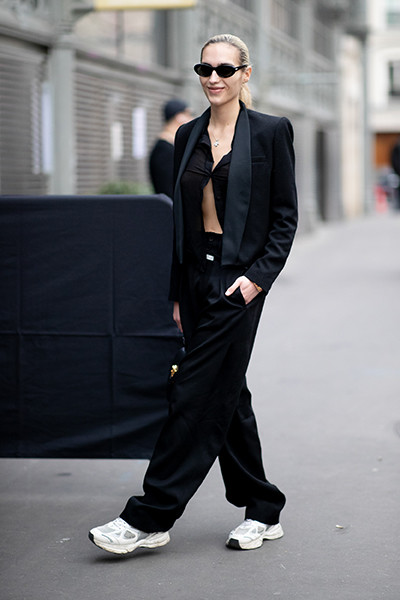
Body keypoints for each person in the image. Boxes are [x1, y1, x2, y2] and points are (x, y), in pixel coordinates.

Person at [89, 33, 298, 554]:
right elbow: (181, 223)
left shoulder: (271, 131)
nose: (214, 78)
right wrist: (178, 294)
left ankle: (149, 516)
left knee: (192, 390)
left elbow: (285, 217)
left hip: (239, 281)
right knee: (228, 395)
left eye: (225, 69)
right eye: (205, 69)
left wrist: (256, 280)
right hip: (196, 276)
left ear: (245, 74)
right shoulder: (187, 135)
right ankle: (264, 507)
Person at [149, 98, 192, 197]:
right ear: (179, 117)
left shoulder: (171, 146)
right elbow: (168, 189)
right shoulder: (164, 150)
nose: (191, 119)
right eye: (188, 114)